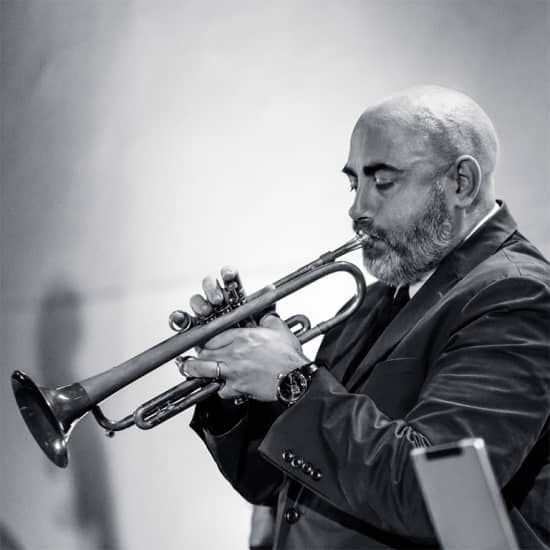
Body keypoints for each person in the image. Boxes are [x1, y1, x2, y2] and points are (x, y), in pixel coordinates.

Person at [183, 86, 550, 549]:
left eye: (383, 182)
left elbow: (437, 496)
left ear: (461, 183)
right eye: (354, 183)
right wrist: (238, 378)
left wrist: (293, 383)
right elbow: (277, 484)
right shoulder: (372, 302)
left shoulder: (516, 295)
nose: (357, 209)